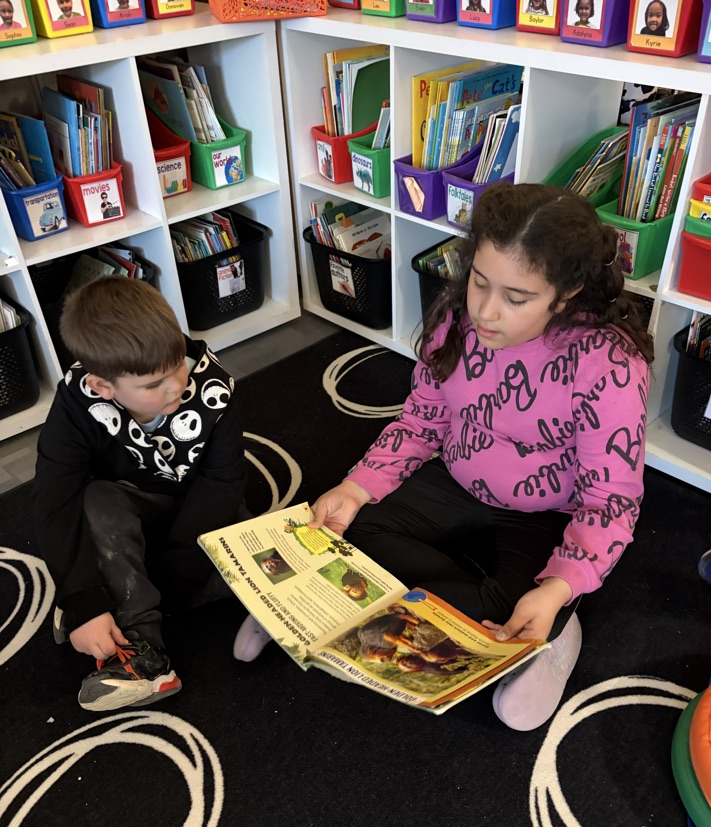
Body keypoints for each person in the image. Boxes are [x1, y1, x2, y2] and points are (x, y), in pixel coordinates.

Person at [307, 183, 654, 731]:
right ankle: (455, 610)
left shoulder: (608, 364)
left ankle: (556, 626)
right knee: (349, 530)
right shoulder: (457, 321)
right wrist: (356, 488)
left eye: (517, 298)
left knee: (514, 609)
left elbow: (610, 499)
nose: (487, 311)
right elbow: (423, 418)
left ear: (566, 295)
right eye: (479, 282)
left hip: (548, 512)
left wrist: (558, 587)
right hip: (460, 476)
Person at [34, 277, 260, 712]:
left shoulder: (216, 390)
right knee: (93, 500)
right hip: (126, 516)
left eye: (178, 365)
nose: (177, 386)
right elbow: (55, 501)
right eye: (155, 383)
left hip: (200, 523)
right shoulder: (77, 404)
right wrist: (83, 603)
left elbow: (221, 487)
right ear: (104, 387)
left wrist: (172, 581)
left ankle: (142, 642)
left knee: (244, 549)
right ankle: (143, 646)